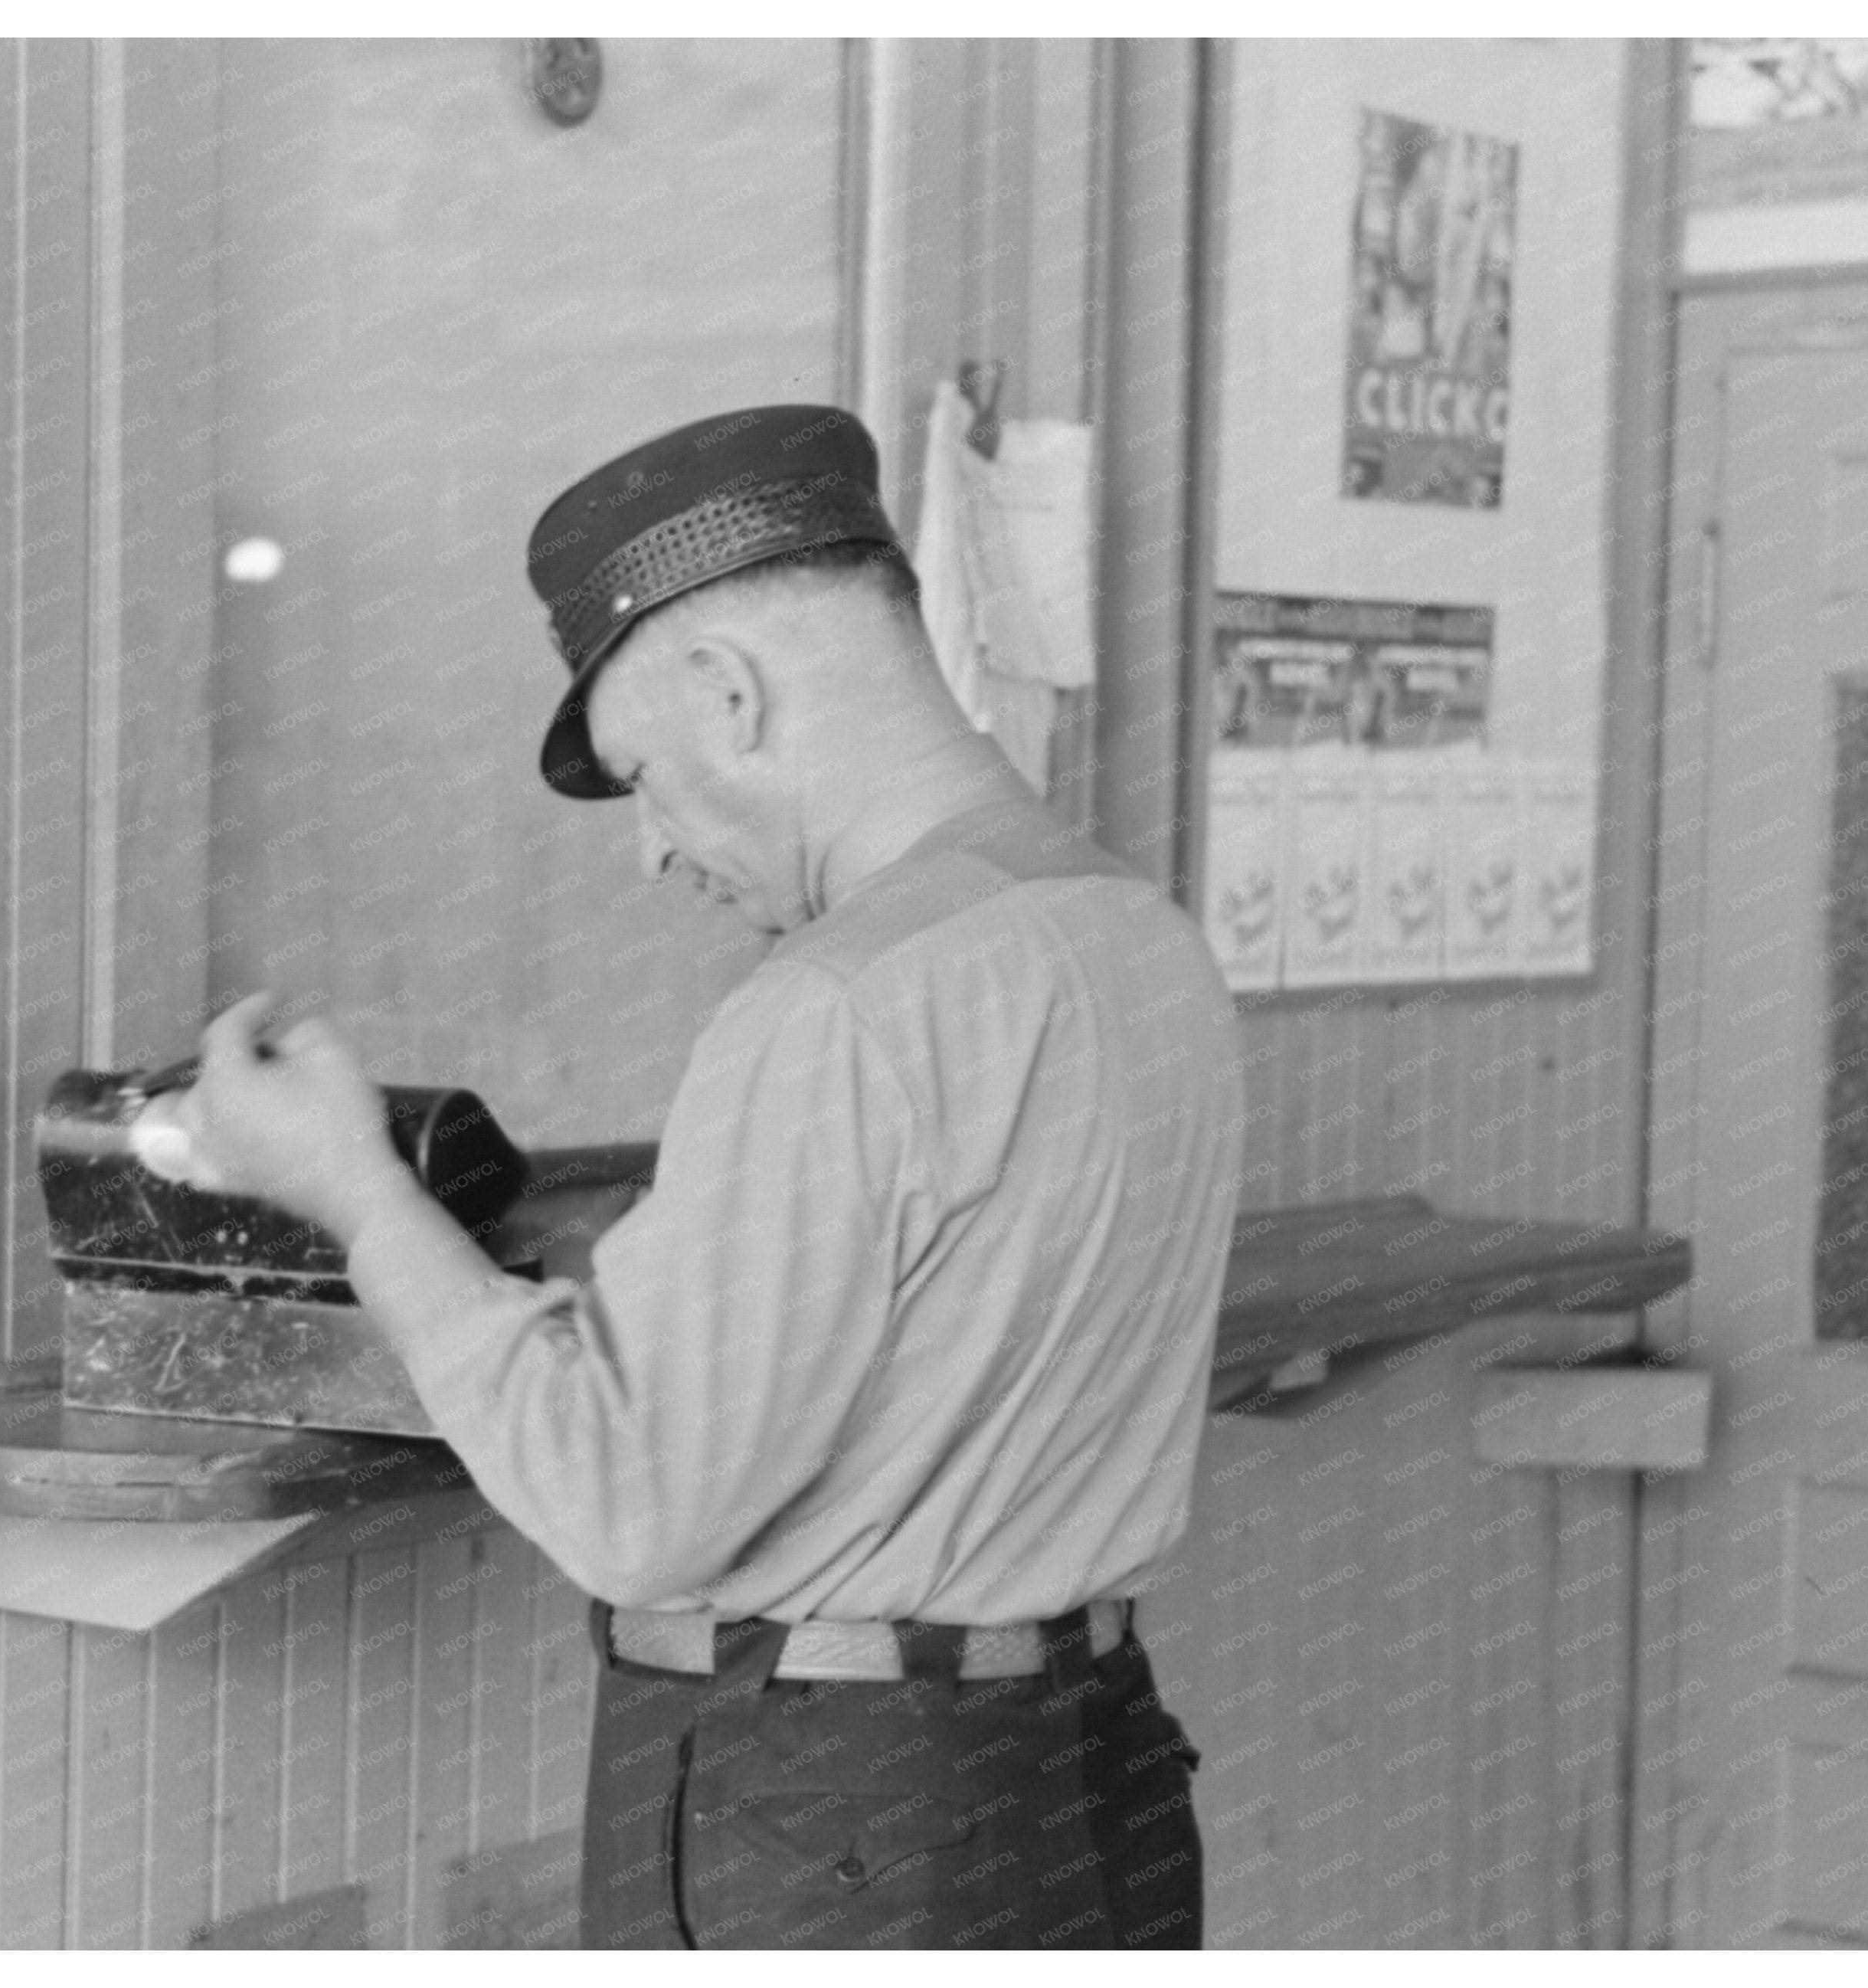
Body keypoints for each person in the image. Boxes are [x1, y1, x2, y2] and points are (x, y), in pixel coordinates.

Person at [178, 404, 1245, 1949]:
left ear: (728, 692)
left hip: (845, 1822)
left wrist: (357, 1192)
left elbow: (630, 1505)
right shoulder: (1135, 935)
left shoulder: (833, 1005)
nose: (654, 850)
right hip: (1083, 1781)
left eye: (641, 774)